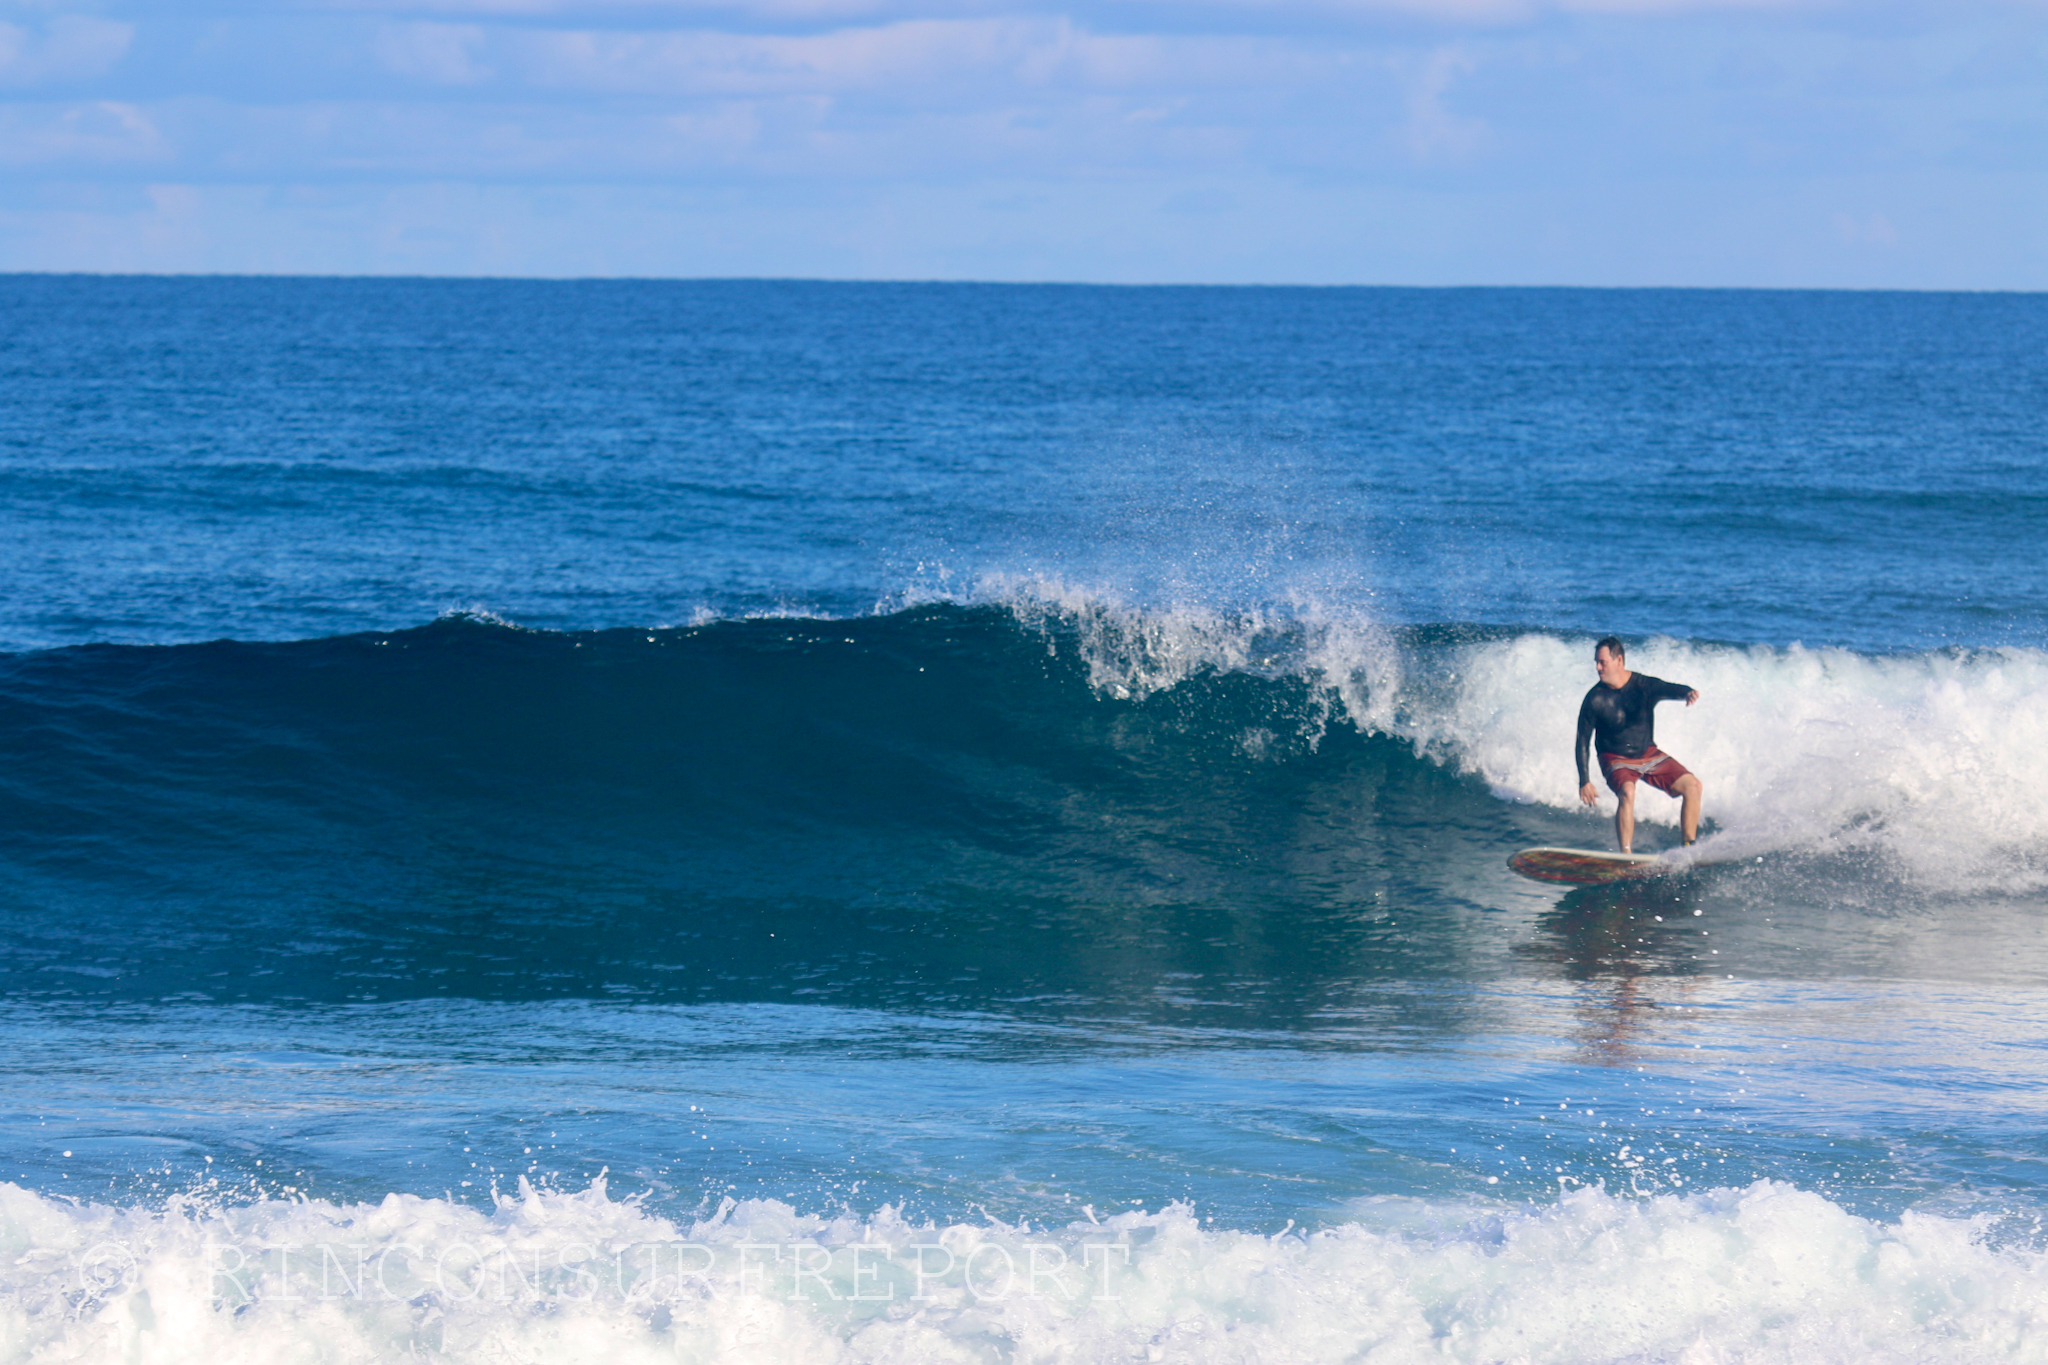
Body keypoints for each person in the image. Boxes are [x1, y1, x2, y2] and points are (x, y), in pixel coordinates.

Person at [1575, 636, 1703, 853]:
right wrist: (1584, 781)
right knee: (1628, 791)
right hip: (1614, 757)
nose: (1597, 667)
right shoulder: (1594, 699)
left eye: (1602, 662)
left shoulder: (1643, 686)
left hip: (1647, 753)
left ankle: (1688, 849)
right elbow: (1582, 741)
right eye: (1596, 662)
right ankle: (1625, 855)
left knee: (1693, 786)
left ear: (1619, 660)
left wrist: (1686, 692)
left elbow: (1668, 688)